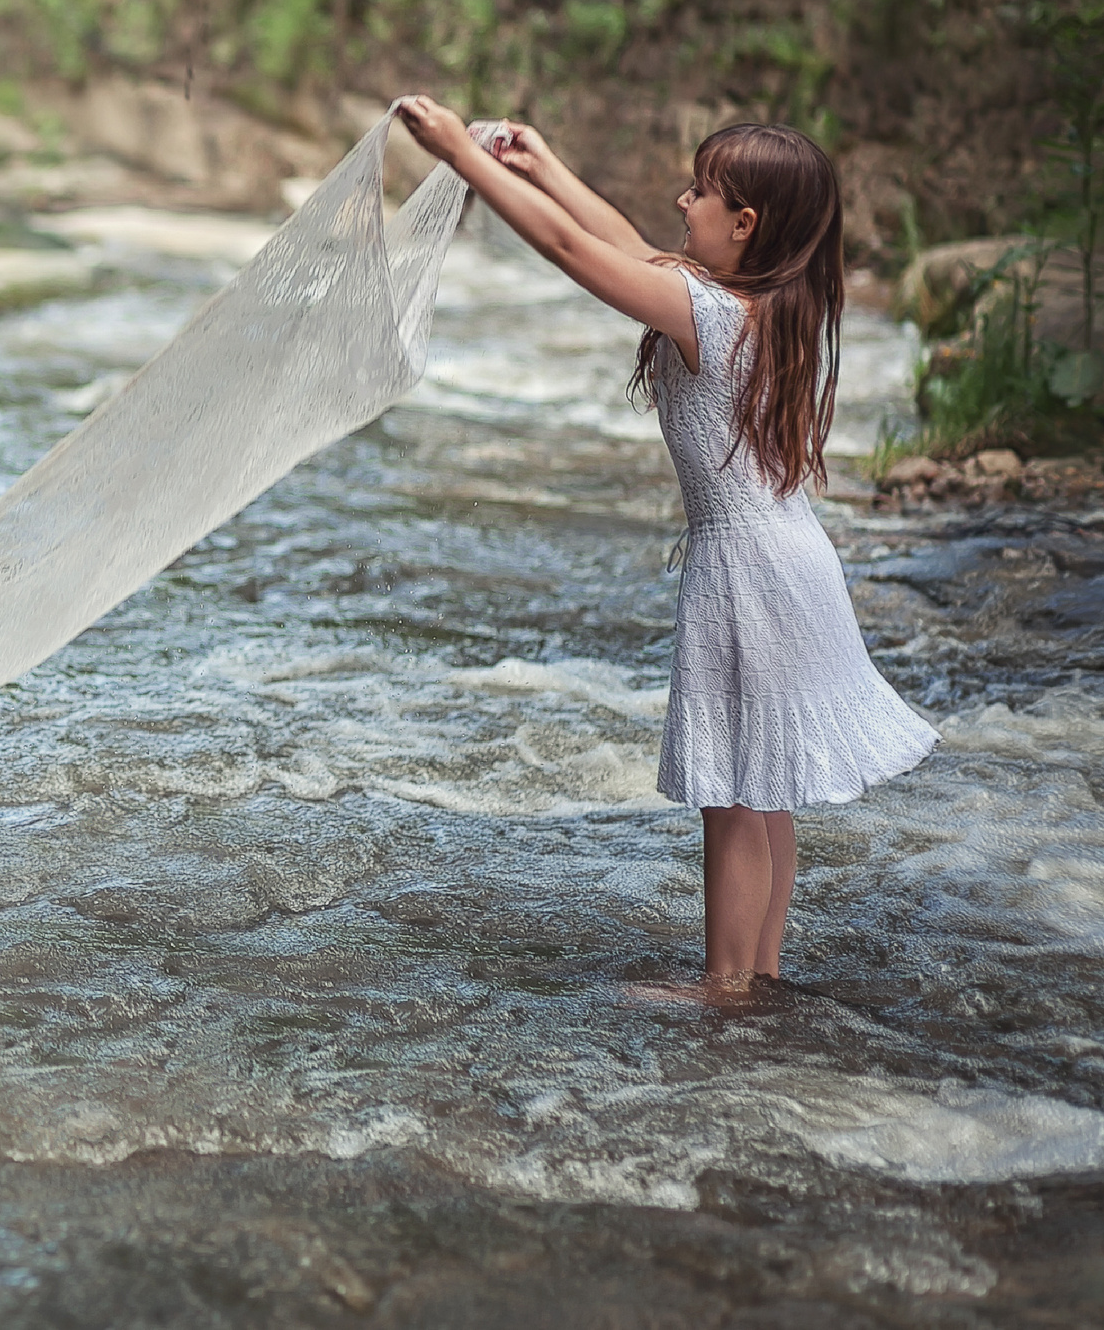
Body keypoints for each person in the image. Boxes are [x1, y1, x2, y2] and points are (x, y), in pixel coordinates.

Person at [396, 97, 935, 989]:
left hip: (748, 569)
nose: (683, 202)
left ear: (744, 223)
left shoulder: (709, 313)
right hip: (791, 558)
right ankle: (758, 978)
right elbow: (624, 247)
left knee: (733, 796)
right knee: (764, 788)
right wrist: (545, 165)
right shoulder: (763, 305)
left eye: (699, 192)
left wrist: (463, 156)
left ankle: (724, 989)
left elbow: (574, 253)